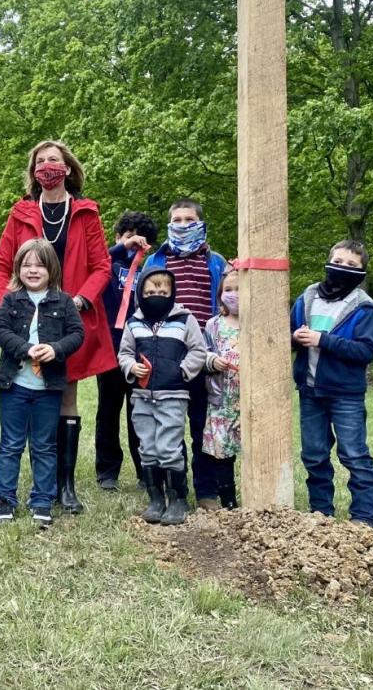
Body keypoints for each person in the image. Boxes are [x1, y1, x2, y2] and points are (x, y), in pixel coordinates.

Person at [0, 140, 113, 514]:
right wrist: (7, 308)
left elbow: (101, 267)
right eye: (40, 161)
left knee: (66, 395)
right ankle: (26, 483)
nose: (47, 166)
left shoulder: (86, 213)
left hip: (68, 318)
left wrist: (79, 301)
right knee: (24, 395)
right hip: (25, 319)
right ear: (33, 172)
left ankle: (65, 485)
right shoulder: (21, 213)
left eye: (54, 160)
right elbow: (0, 266)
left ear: (68, 168)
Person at [0, 239, 84, 528]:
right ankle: (4, 500)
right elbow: (1, 331)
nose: (33, 270)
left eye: (40, 265)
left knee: (44, 446)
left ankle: (42, 501)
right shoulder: (10, 300)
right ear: (18, 269)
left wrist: (55, 349)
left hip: (48, 388)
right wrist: (25, 348)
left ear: (52, 269)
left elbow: (77, 334)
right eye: (26, 265)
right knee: (10, 444)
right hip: (15, 386)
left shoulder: (64, 301)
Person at [144, 198, 228, 509]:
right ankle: (170, 490)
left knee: (202, 425)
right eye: (176, 220)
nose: (182, 225)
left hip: (206, 356)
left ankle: (206, 492)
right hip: (167, 356)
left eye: (188, 219)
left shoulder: (217, 263)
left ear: (201, 223)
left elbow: (228, 300)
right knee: (167, 425)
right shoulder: (155, 262)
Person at [291, 240, 373, 527]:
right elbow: (288, 331)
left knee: (354, 455)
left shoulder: (364, 308)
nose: (343, 268)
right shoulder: (307, 298)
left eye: (352, 265)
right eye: (338, 262)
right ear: (329, 262)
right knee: (314, 455)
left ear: (362, 271)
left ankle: (363, 518)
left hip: (346, 395)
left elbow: (365, 351)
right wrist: (295, 337)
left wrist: (323, 340)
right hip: (310, 390)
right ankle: (321, 514)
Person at [118, 266, 206, 525]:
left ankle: (178, 498)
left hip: (173, 395)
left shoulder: (184, 319)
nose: (156, 294)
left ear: (172, 292)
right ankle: (155, 498)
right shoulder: (134, 322)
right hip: (142, 397)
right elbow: (124, 353)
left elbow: (198, 351)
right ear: (141, 293)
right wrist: (131, 367)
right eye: (150, 290)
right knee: (147, 448)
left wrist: (182, 371)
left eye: (162, 290)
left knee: (168, 448)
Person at [96, 210, 159, 491]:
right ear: (118, 237)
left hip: (141, 350)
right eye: (128, 236)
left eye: (140, 238)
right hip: (110, 346)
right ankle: (107, 471)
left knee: (140, 411)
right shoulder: (107, 264)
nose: (134, 242)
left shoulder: (151, 269)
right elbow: (95, 263)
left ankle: (144, 469)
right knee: (108, 409)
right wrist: (122, 248)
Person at [202, 269, 241, 508]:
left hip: (248, 399)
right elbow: (202, 353)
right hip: (220, 400)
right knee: (223, 452)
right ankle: (229, 501)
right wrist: (212, 361)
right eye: (228, 290)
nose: (233, 294)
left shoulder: (257, 324)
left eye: (239, 289)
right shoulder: (213, 324)